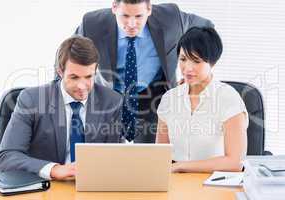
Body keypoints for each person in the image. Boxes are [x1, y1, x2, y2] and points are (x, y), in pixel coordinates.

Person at [69, 0, 214, 143]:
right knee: (106, 158)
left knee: (150, 158)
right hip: (108, 98)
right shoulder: (92, 24)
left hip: (152, 96)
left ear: (149, 9)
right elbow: (68, 56)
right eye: (125, 16)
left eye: (138, 16)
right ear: (114, 7)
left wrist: (198, 74)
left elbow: (207, 29)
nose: (132, 25)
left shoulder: (171, 17)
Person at [0, 36, 123, 180]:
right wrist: (53, 169)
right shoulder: (32, 100)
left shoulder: (112, 101)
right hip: (47, 188)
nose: (82, 86)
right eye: (74, 77)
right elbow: (6, 157)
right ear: (60, 72)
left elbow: (115, 158)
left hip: (93, 186)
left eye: (88, 77)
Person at [156, 27, 248, 172]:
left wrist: (181, 166)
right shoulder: (169, 99)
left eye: (196, 61)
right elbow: (159, 156)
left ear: (213, 63)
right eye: (183, 59)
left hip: (215, 183)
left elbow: (235, 162)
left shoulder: (229, 99)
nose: (187, 68)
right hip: (175, 183)